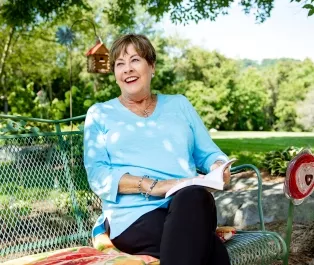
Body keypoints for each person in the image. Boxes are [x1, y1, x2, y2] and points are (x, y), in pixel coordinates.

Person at [83, 33, 231, 265]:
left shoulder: (179, 104)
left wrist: (219, 166)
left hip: (189, 206)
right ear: (115, 76)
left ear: (152, 66)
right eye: (120, 64)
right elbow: (98, 176)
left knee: (192, 197)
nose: (127, 69)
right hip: (134, 217)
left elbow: (209, 153)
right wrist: (155, 186)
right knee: (212, 252)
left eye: (135, 60)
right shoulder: (100, 113)